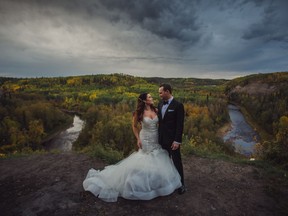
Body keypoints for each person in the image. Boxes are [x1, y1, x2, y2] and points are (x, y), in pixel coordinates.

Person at [83, 93, 182, 202]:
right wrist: (138, 139)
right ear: (144, 101)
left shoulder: (156, 110)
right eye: (149, 97)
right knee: (145, 158)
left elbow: (163, 123)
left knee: (157, 158)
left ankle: (154, 182)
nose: (152, 98)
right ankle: (140, 184)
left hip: (156, 137)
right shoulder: (138, 113)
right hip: (145, 138)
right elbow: (134, 126)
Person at [158, 83, 186, 194]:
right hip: (161, 139)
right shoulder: (160, 104)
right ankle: (167, 183)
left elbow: (180, 125)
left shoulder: (178, 105)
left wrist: (177, 141)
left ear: (167, 91)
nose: (159, 94)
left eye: (160, 92)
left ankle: (181, 184)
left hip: (172, 141)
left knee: (176, 162)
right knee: (164, 162)